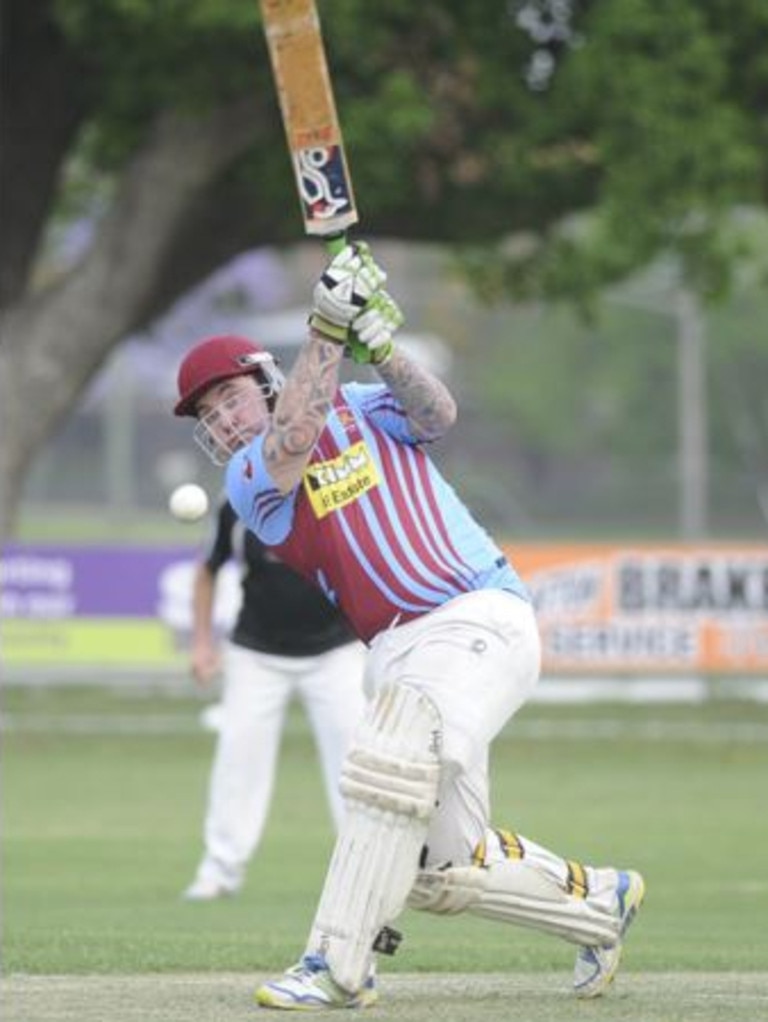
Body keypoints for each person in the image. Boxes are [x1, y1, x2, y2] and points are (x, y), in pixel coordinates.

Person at [173, 243, 645, 1008]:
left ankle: (336, 962)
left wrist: (381, 346)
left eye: (227, 398)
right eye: (208, 414)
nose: (222, 420)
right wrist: (327, 325)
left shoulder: (363, 404)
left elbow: (438, 413)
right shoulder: (248, 479)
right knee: (437, 865)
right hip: (395, 652)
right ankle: (598, 904)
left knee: (386, 760)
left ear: (262, 378)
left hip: (475, 613)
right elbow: (296, 437)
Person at [182, 495, 367, 901]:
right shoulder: (237, 504)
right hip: (256, 653)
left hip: (334, 651)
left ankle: (363, 871)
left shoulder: (332, 497)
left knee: (355, 764)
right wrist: (201, 645)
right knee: (238, 758)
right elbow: (207, 572)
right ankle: (220, 870)